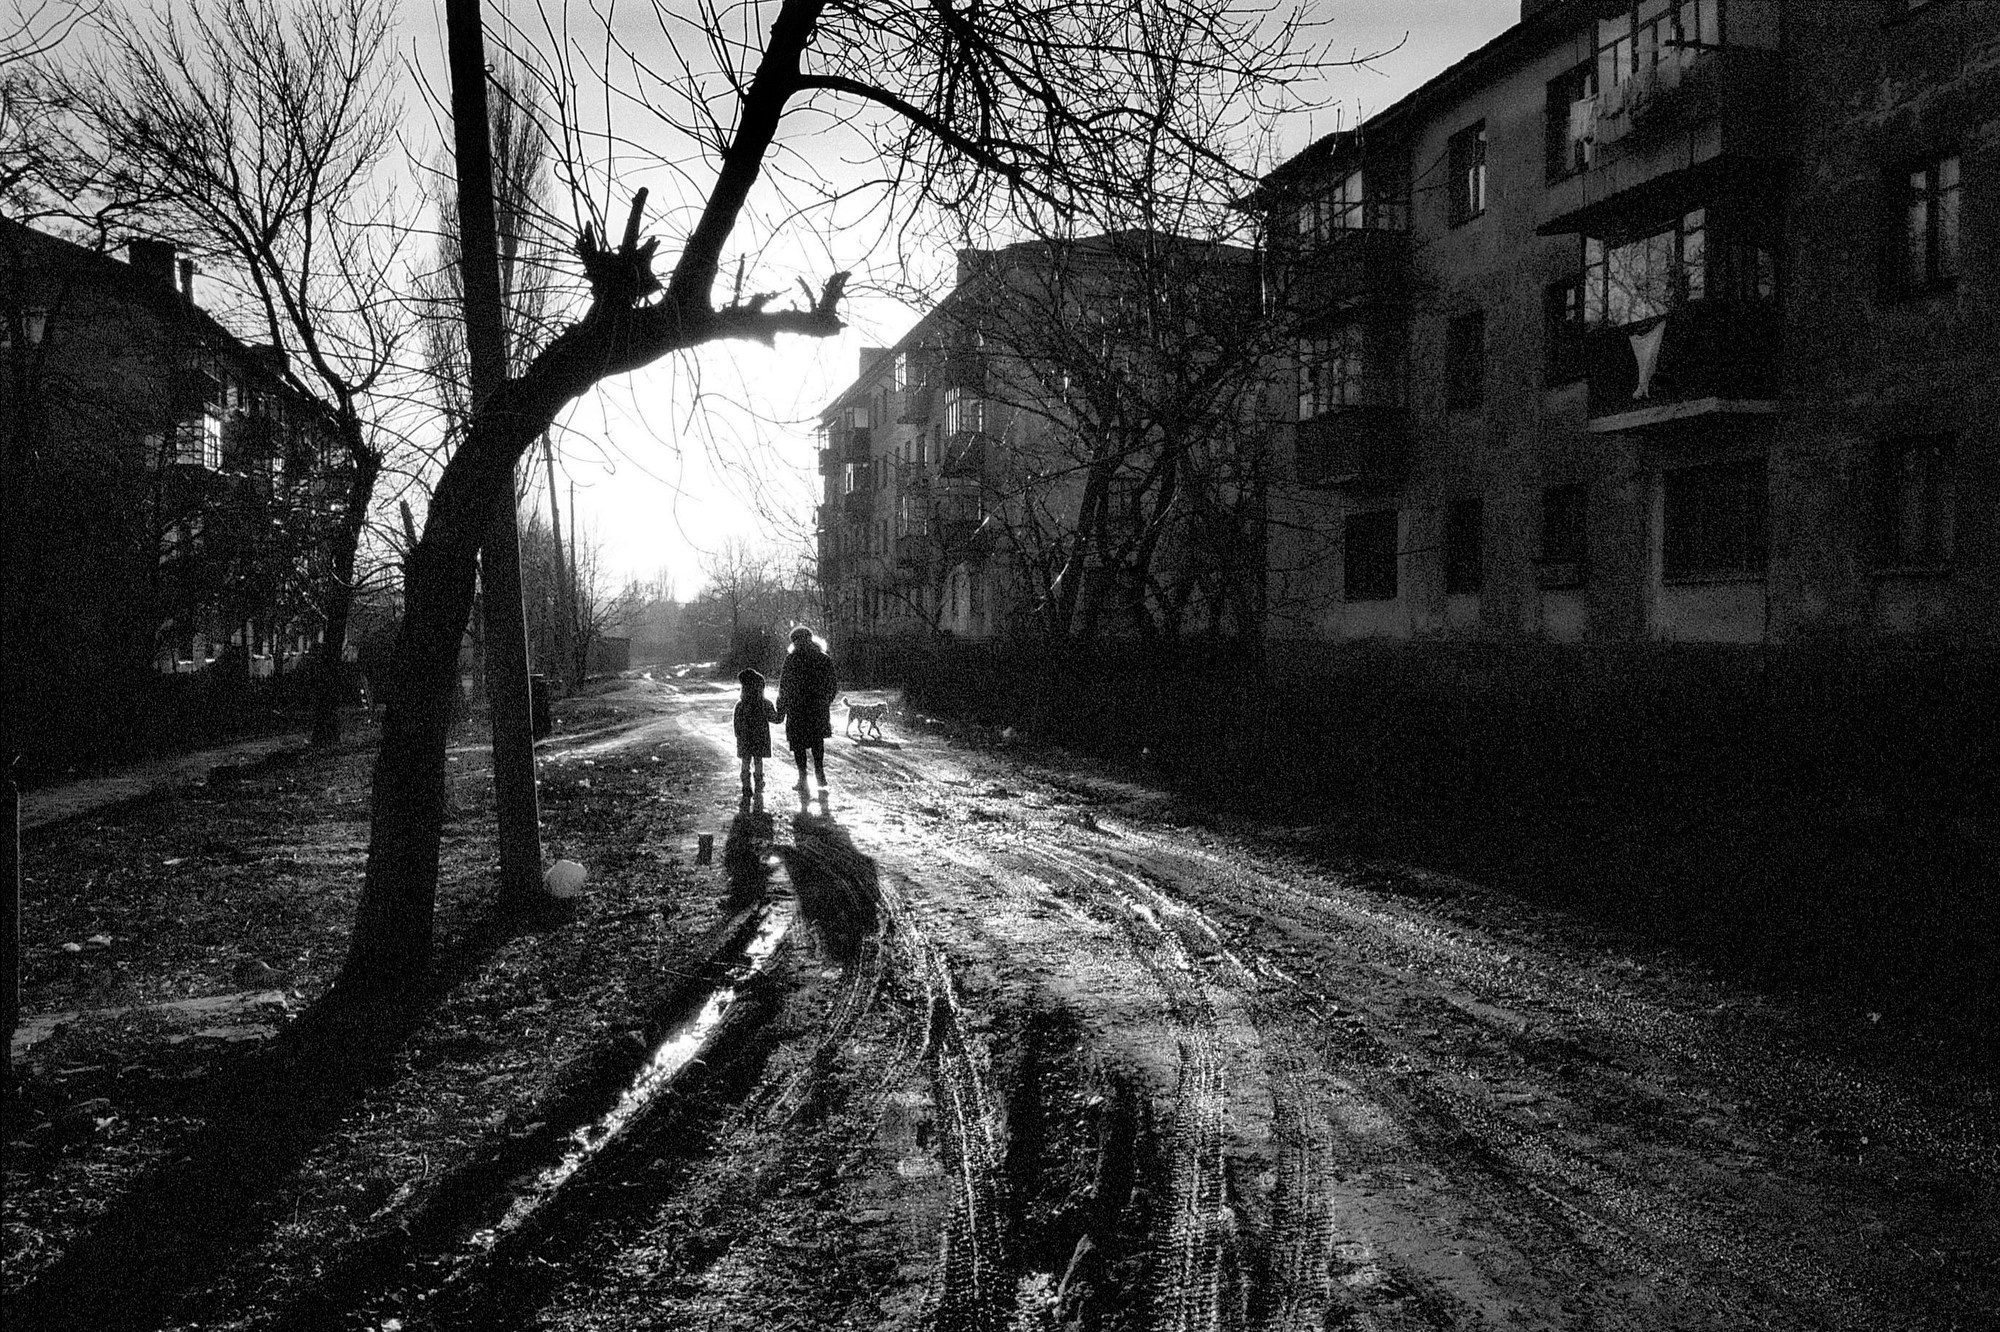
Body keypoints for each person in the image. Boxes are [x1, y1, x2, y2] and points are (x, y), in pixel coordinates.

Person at [775, 625, 837, 795]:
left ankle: (803, 779)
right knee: (817, 741)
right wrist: (825, 701)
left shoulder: (792, 659)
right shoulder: (823, 658)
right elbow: (833, 685)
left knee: (798, 744)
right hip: (817, 708)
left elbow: (784, 686)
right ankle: (819, 774)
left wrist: (782, 706)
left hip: (797, 708)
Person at [732, 668, 780, 803]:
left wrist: (738, 735)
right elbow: (776, 719)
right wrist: (782, 708)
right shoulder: (765, 704)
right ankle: (759, 784)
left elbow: (736, 724)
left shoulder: (740, 705)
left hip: (745, 739)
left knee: (745, 761)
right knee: (758, 761)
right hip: (760, 738)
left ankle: (746, 786)